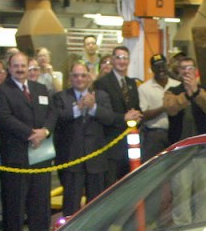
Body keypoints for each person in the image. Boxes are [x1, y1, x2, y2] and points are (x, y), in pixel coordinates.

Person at [0, 51, 55, 231]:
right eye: (16, 66)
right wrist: (31, 134)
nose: (20, 70)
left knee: (40, 198)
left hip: (41, 154)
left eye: (24, 66)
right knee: (15, 199)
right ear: (9, 68)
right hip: (17, 154)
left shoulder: (40, 88)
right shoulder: (2, 91)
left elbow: (52, 113)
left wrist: (45, 131)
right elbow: (4, 118)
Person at [52, 63, 115, 219]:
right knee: (71, 204)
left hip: (96, 159)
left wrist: (93, 108)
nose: (79, 79)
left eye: (83, 75)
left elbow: (110, 118)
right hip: (71, 159)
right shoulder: (61, 97)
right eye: (75, 75)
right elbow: (57, 118)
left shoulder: (101, 96)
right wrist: (77, 109)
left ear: (89, 77)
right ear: (70, 78)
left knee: (96, 204)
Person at [164, 56, 206, 225]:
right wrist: (186, 96)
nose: (187, 71)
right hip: (181, 152)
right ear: (178, 72)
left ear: (196, 71)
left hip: (204, 151)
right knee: (181, 194)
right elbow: (171, 108)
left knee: (203, 194)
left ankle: (203, 230)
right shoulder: (171, 91)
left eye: (190, 68)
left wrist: (195, 92)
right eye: (183, 68)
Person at [93, 45, 142, 186]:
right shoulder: (102, 83)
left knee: (129, 185)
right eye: (119, 58)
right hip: (111, 144)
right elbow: (103, 114)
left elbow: (136, 108)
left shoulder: (131, 83)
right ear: (113, 60)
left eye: (125, 58)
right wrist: (124, 118)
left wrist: (138, 115)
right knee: (110, 186)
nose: (122, 61)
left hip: (130, 145)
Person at [137, 53, 179, 161]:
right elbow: (143, 115)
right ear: (152, 69)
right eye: (157, 67)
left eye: (163, 65)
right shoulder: (144, 88)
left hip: (176, 134)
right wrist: (164, 108)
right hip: (154, 136)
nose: (161, 69)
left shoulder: (178, 85)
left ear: (167, 66)